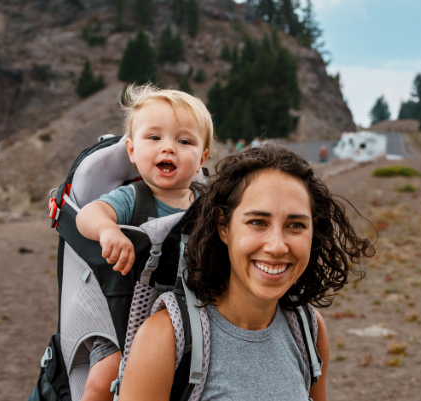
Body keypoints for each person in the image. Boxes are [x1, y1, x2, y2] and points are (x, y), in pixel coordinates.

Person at [119, 145, 374, 401]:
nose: (277, 246)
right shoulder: (164, 338)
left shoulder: (309, 329)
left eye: (296, 225)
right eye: (257, 222)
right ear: (223, 226)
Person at [75, 84, 213, 401]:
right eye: (154, 137)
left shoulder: (209, 204)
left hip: (192, 316)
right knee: (103, 380)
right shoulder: (132, 198)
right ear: (132, 151)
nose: (169, 148)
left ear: (202, 157)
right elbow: (88, 215)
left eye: (184, 141)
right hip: (125, 320)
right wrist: (108, 230)